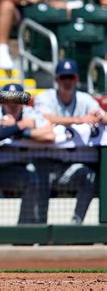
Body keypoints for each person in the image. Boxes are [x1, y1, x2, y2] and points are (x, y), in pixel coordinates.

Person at [0, 83, 55, 224]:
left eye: (17, 98)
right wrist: (21, 125)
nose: (13, 102)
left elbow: (50, 135)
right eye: (8, 98)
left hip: (10, 169)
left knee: (33, 181)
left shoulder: (30, 113)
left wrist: (18, 129)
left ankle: (23, 232)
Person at [34, 59, 106, 224]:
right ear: (56, 79)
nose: (67, 81)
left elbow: (102, 115)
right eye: (63, 77)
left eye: (70, 77)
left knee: (89, 176)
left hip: (72, 164)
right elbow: (43, 117)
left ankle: (76, 225)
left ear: (76, 79)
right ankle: (39, 230)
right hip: (45, 161)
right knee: (37, 180)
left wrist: (101, 117)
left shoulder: (84, 98)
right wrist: (78, 120)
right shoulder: (45, 96)